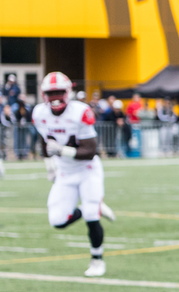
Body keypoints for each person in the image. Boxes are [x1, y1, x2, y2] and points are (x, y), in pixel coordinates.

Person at [31, 72, 117, 277]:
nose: (56, 97)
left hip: (87, 171)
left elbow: (90, 151)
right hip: (65, 173)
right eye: (51, 93)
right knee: (58, 220)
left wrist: (61, 151)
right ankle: (92, 206)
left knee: (90, 215)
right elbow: (45, 142)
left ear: (68, 92)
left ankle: (97, 260)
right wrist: (50, 166)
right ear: (43, 94)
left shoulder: (81, 112)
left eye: (60, 92)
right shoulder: (39, 113)